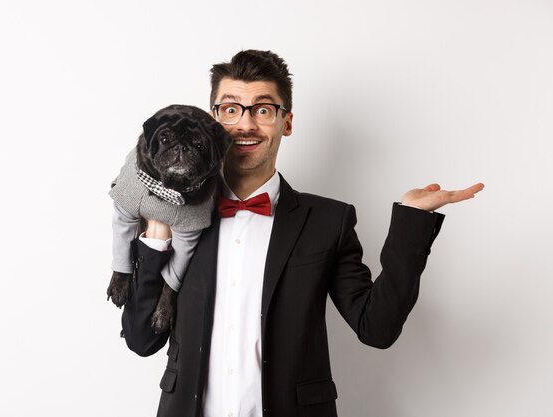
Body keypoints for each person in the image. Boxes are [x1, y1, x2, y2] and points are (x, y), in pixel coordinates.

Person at [119, 49, 484, 417]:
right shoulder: (175, 212)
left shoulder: (329, 221)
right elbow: (141, 339)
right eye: (231, 109)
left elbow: (377, 328)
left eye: (262, 110)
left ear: (286, 122)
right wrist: (156, 231)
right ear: (213, 122)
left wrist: (412, 222)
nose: (245, 125)